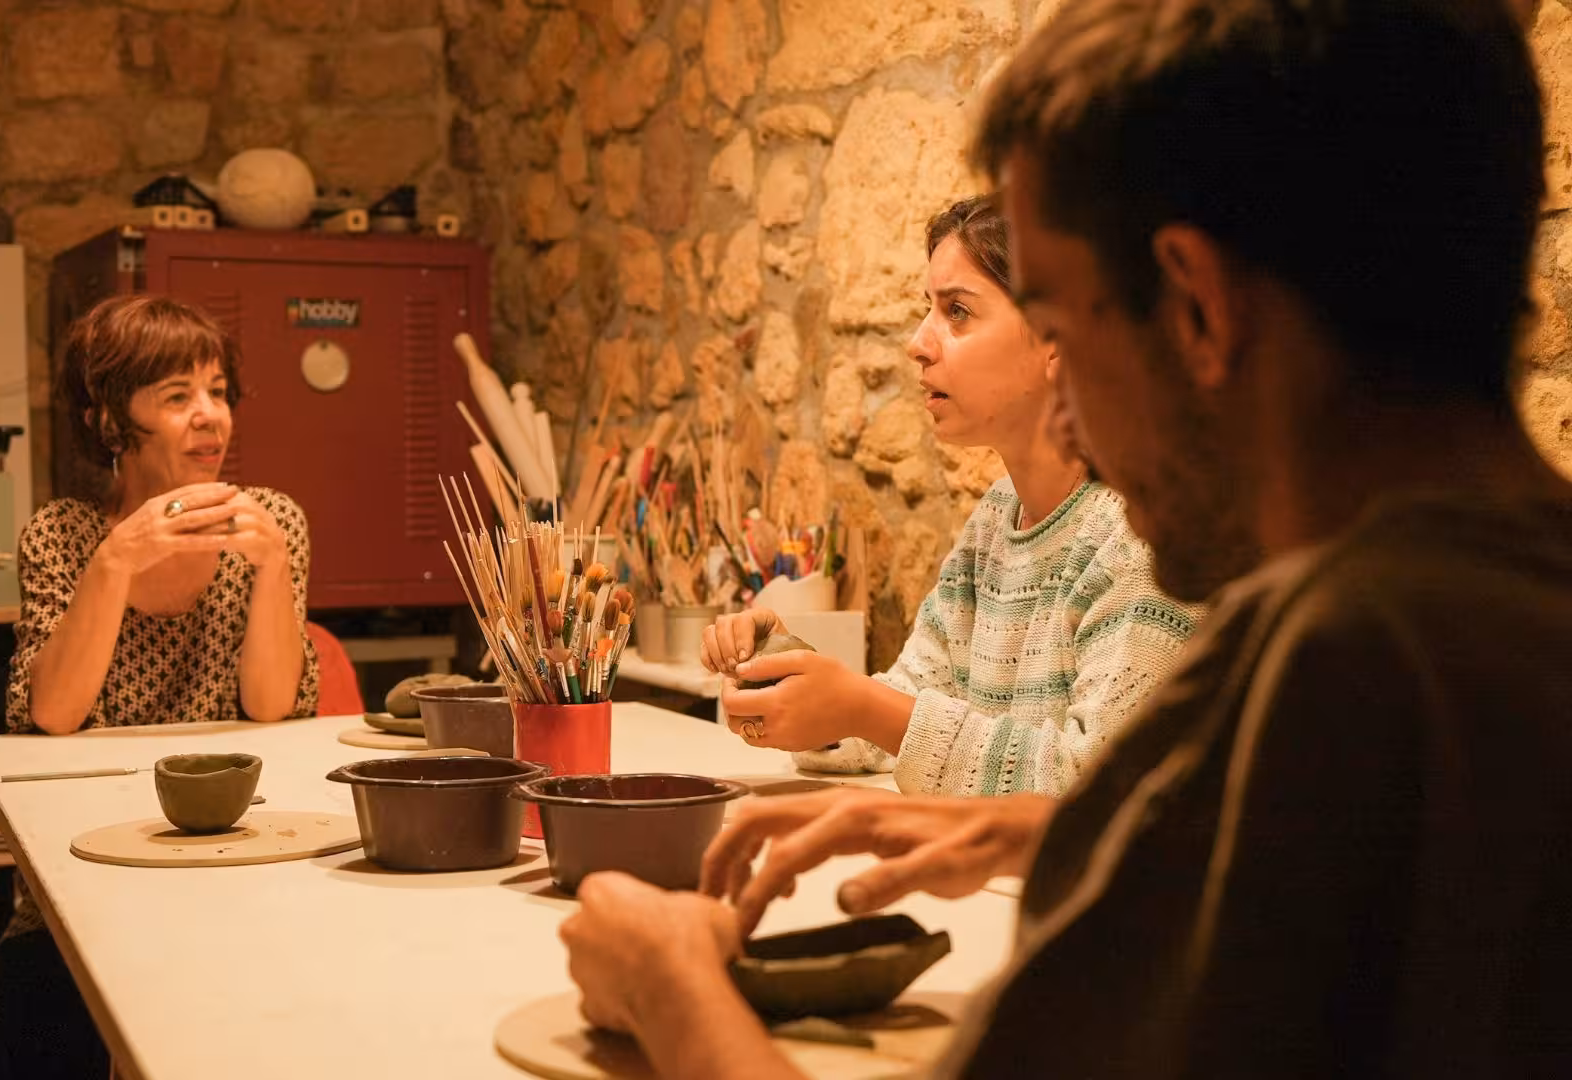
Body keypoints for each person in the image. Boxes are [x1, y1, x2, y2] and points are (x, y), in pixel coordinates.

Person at [559, 1, 1572, 1076]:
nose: (1070, 416)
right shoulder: (1500, 612)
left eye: (1062, 324)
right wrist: (1051, 834)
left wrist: (669, 985)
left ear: (1197, 309)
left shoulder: (1341, 670)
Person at [702, 195, 1203, 797]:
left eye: (957, 312)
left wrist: (862, 706)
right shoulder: (997, 518)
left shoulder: (1145, 536)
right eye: (928, 309)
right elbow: (910, 701)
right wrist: (787, 670)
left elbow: (1095, 785)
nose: (918, 343)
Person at [0, 295, 321, 1078]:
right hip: (94, 875)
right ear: (108, 422)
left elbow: (271, 708)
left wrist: (270, 567)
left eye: (218, 392)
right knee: (7, 1032)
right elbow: (54, 715)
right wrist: (116, 561)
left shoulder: (272, 524)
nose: (210, 416)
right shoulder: (63, 536)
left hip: (241, 868)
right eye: (177, 396)